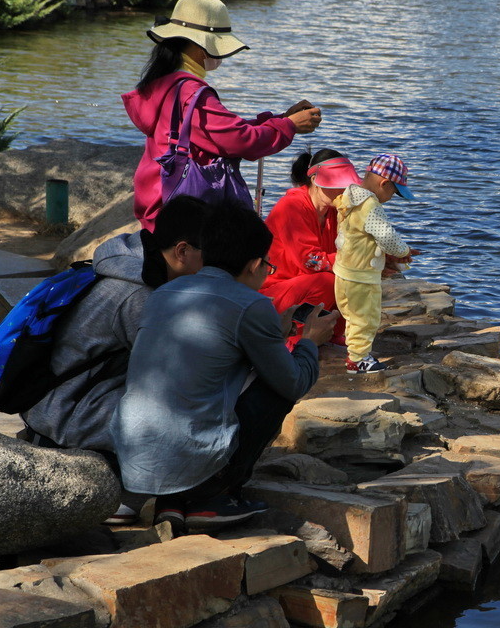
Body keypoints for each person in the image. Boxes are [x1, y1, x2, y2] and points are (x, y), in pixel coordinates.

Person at [112, 203, 338, 532]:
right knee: (275, 386)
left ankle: (172, 502)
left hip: (135, 464)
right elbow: (292, 382)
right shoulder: (252, 304)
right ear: (255, 264)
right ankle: (215, 495)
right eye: (268, 267)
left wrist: (274, 332)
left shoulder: (163, 293)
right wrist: (309, 342)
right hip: (195, 466)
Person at [20, 196, 209, 525]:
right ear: (182, 251)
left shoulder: (130, 257)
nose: (215, 268)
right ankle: (126, 495)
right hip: (67, 412)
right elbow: (180, 375)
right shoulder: (141, 296)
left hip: (50, 398)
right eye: (212, 257)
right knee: (191, 413)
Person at [123, 0, 322, 230]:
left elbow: (219, 132)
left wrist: (281, 119)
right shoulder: (191, 94)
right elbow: (240, 140)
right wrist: (289, 126)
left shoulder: (164, 83)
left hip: (159, 196)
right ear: (200, 47)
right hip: (181, 210)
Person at [333, 153, 418, 375]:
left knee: (352, 315)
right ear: (384, 183)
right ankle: (358, 360)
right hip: (361, 276)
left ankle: (354, 351)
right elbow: (387, 236)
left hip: (343, 271)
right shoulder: (371, 206)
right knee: (366, 318)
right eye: (394, 192)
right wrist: (404, 251)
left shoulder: (350, 196)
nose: (391, 198)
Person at [262, 149, 350, 344]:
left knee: (355, 278)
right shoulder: (291, 206)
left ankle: (332, 334)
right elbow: (311, 262)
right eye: (335, 184)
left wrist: (382, 257)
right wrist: (355, 259)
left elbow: (353, 245)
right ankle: (296, 340)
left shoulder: (334, 211)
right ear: (315, 182)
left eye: (344, 184)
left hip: (299, 289)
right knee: (328, 281)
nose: (342, 190)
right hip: (269, 296)